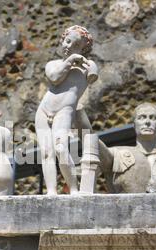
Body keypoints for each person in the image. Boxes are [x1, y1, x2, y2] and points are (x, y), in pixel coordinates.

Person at [35, 25, 98, 195]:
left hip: (64, 110)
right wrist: (70, 61)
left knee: (61, 148)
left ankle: (74, 188)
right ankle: (51, 191)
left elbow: (93, 75)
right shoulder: (53, 64)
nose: (69, 46)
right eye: (67, 41)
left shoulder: (88, 66)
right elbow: (55, 78)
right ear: (62, 40)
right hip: (44, 110)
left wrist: (80, 61)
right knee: (47, 153)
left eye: (75, 45)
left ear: (83, 48)